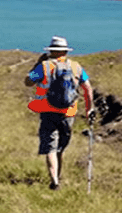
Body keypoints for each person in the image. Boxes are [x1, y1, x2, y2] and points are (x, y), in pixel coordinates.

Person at [25, 36, 94, 189]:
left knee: (50, 147)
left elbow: (28, 81)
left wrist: (36, 65)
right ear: (65, 51)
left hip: (48, 111)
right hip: (68, 113)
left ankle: (54, 181)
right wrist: (89, 109)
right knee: (61, 148)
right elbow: (88, 88)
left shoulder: (44, 66)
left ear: (51, 51)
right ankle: (58, 177)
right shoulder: (76, 67)